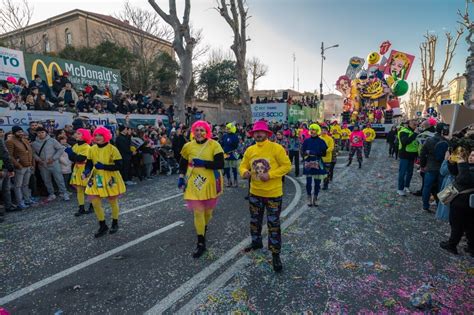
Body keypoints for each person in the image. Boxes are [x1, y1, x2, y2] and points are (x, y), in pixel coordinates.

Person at [240, 120, 291, 272]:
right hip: (255, 193)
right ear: (253, 134)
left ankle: (275, 254)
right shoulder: (250, 150)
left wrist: (270, 175)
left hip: (273, 194)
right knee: (254, 221)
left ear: (267, 134)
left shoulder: (276, 148)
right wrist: (244, 172)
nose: (258, 135)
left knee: (273, 224)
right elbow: (243, 165)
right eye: (256, 132)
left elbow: (287, 166)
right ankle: (256, 242)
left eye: (261, 132)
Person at [178, 120, 225, 258]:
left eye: (202, 130)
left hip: (210, 181)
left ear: (207, 132)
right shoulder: (188, 146)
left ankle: (203, 227)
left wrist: (204, 163)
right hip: (193, 181)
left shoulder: (214, 145)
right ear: (193, 131)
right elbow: (183, 163)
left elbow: (220, 164)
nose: (199, 133)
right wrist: (181, 177)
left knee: (208, 213)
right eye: (197, 130)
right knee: (198, 212)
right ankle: (201, 242)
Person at [83, 127, 126, 237]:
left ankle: (115, 223)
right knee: (95, 202)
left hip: (111, 178)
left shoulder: (113, 149)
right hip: (97, 178)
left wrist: (104, 166)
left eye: (100, 135)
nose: (97, 137)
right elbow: (89, 163)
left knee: (112, 201)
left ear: (106, 136)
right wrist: (86, 171)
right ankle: (102, 225)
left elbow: (119, 166)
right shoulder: (91, 149)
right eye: (96, 135)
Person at [440, 147, 474, 256]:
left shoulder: (468, 168)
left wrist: (462, 163)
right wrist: (451, 162)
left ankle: (452, 245)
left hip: (463, 201)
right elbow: (455, 173)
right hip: (465, 201)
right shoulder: (469, 166)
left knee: (457, 224)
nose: (471, 158)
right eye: (471, 155)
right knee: (469, 225)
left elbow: (464, 178)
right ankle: (471, 247)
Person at [32, 128, 70, 202]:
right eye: (39, 133)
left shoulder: (52, 140)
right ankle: (51, 194)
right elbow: (33, 153)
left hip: (54, 163)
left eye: (42, 132)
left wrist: (54, 158)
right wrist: (38, 159)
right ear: (36, 134)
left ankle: (64, 193)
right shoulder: (34, 143)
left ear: (46, 133)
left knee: (59, 179)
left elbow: (60, 149)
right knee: (46, 180)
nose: (41, 134)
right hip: (43, 165)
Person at [419, 123, 449, 212]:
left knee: (427, 187)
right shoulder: (447, 141)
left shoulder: (429, 140)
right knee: (441, 188)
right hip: (442, 168)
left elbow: (422, 153)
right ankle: (439, 206)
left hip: (430, 167)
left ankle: (425, 206)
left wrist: (422, 165)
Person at [6, 126, 36, 209]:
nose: (21, 133)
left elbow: (30, 152)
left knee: (25, 184)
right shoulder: (10, 141)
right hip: (20, 167)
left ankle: (27, 200)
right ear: (14, 132)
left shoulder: (24, 140)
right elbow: (10, 155)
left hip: (28, 166)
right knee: (18, 186)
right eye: (18, 132)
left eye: (21, 131)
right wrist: (18, 165)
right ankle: (20, 203)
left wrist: (31, 164)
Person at [65, 129, 94, 216]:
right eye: (76, 133)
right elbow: (73, 158)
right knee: (79, 190)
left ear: (84, 135)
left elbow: (81, 158)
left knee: (89, 189)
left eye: (79, 134)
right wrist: (72, 155)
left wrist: (71, 153)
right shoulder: (76, 146)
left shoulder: (87, 147)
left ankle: (92, 206)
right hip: (77, 169)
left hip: (85, 169)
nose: (76, 135)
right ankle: (81, 208)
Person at [302, 124, 328, 206]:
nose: (313, 131)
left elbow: (324, 154)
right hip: (309, 162)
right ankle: (309, 197)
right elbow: (302, 151)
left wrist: (314, 152)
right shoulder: (306, 141)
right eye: (311, 130)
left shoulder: (321, 141)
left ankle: (315, 198)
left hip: (317, 162)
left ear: (317, 131)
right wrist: (305, 153)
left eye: (314, 130)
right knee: (308, 182)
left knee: (317, 183)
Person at [397, 119, 419, 196]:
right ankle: (400, 188)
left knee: (410, 173)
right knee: (402, 173)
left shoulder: (414, 132)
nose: (416, 126)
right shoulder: (404, 131)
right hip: (404, 155)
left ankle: (406, 186)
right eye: (414, 124)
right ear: (409, 124)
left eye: (417, 125)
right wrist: (415, 134)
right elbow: (405, 142)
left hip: (412, 156)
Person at [220, 123, 240, 187]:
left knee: (234, 168)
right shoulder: (224, 136)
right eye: (226, 128)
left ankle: (235, 181)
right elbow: (222, 144)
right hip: (225, 154)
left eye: (228, 128)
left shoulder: (235, 136)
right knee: (226, 168)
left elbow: (236, 145)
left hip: (233, 153)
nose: (227, 129)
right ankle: (229, 181)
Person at [320, 125, 334, 190]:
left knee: (326, 173)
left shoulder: (330, 139)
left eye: (325, 130)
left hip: (327, 159)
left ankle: (325, 185)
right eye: (322, 130)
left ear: (327, 131)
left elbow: (331, 147)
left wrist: (324, 151)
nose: (323, 131)